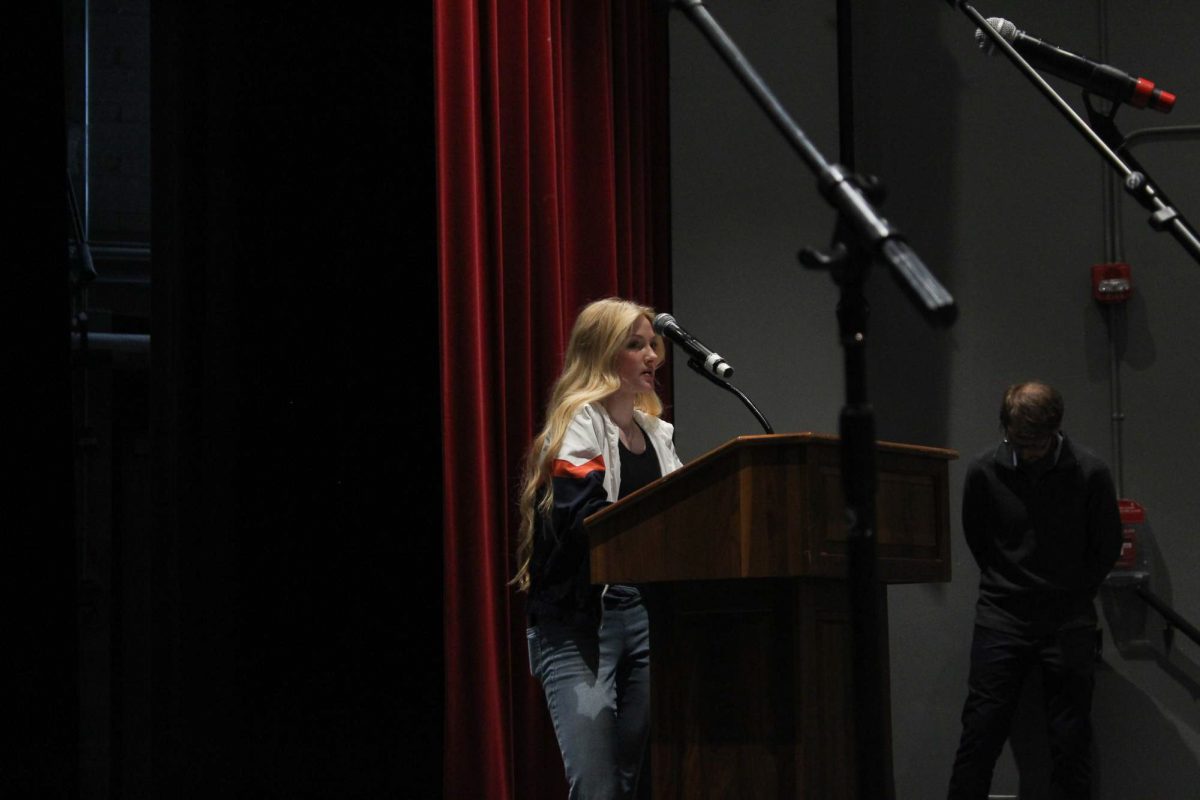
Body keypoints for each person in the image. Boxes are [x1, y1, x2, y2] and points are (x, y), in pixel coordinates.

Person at [514, 297, 684, 799]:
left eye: (651, 344)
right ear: (602, 355)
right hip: (579, 624)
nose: (652, 355)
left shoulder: (657, 435)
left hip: (646, 618)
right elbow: (582, 519)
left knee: (629, 782)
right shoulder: (578, 427)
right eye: (635, 346)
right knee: (598, 786)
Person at [947, 381, 1123, 799]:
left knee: (1070, 739)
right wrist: (1008, 581)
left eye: (1037, 441)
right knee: (980, 731)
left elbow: (1107, 544)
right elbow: (979, 538)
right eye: (1018, 440)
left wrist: (1073, 593)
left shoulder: (1089, 471)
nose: (1028, 451)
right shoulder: (984, 470)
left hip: (1067, 619)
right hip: (1002, 616)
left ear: (1055, 429)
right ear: (1005, 428)